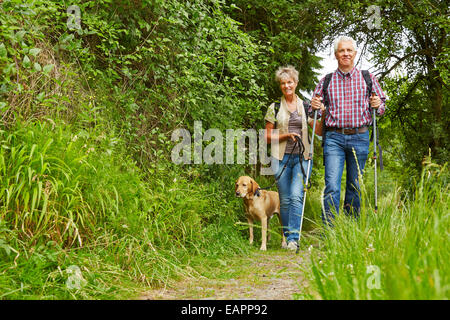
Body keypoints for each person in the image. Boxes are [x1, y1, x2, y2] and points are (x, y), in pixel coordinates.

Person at [310, 36, 386, 226]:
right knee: (332, 187)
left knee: (355, 186)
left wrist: (378, 104)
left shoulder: (368, 78)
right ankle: (330, 231)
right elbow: (313, 111)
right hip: (334, 138)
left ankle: (350, 230)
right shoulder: (326, 81)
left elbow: (381, 106)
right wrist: (314, 105)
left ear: (355, 54)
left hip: (360, 136)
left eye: (349, 50)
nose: (345, 54)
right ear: (336, 54)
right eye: (342, 51)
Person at [264, 65, 322, 250]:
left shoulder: (306, 106)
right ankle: (288, 236)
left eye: (290, 82)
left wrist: (322, 113)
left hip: (302, 157)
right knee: (286, 198)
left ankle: (293, 240)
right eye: (283, 83)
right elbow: (267, 137)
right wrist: (285, 136)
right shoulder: (274, 108)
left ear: (296, 83)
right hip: (280, 158)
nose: (286, 86)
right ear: (280, 86)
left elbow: (319, 131)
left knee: (297, 196)